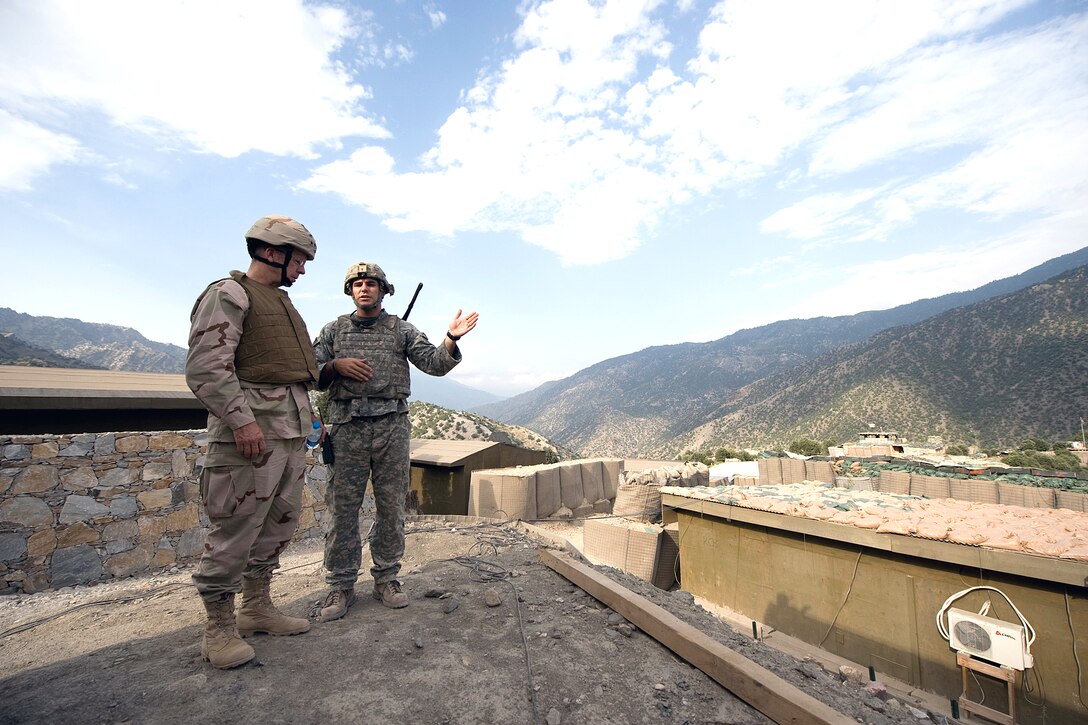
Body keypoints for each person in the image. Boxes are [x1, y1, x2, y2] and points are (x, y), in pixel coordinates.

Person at [185, 214, 321, 669]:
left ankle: (256, 607)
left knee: (278, 523)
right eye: (298, 260)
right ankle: (218, 630)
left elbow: (288, 372)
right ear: (272, 252)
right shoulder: (229, 293)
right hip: (251, 437)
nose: (302, 269)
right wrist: (243, 424)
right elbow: (207, 367)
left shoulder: (279, 301)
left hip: (289, 433)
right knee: (236, 527)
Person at [314, 262, 478, 621]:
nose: (364, 288)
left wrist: (451, 338)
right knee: (342, 510)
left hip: (391, 426)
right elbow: (310, 372)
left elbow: (434, 363)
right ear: (350, 291)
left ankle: (386, 578)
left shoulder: (401, 330)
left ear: (383, 290)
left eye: (371, 283)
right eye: (357, 284)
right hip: (347, 427)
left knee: (391, 508)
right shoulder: (333, 331)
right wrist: (335, 367)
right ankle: (340, 585)